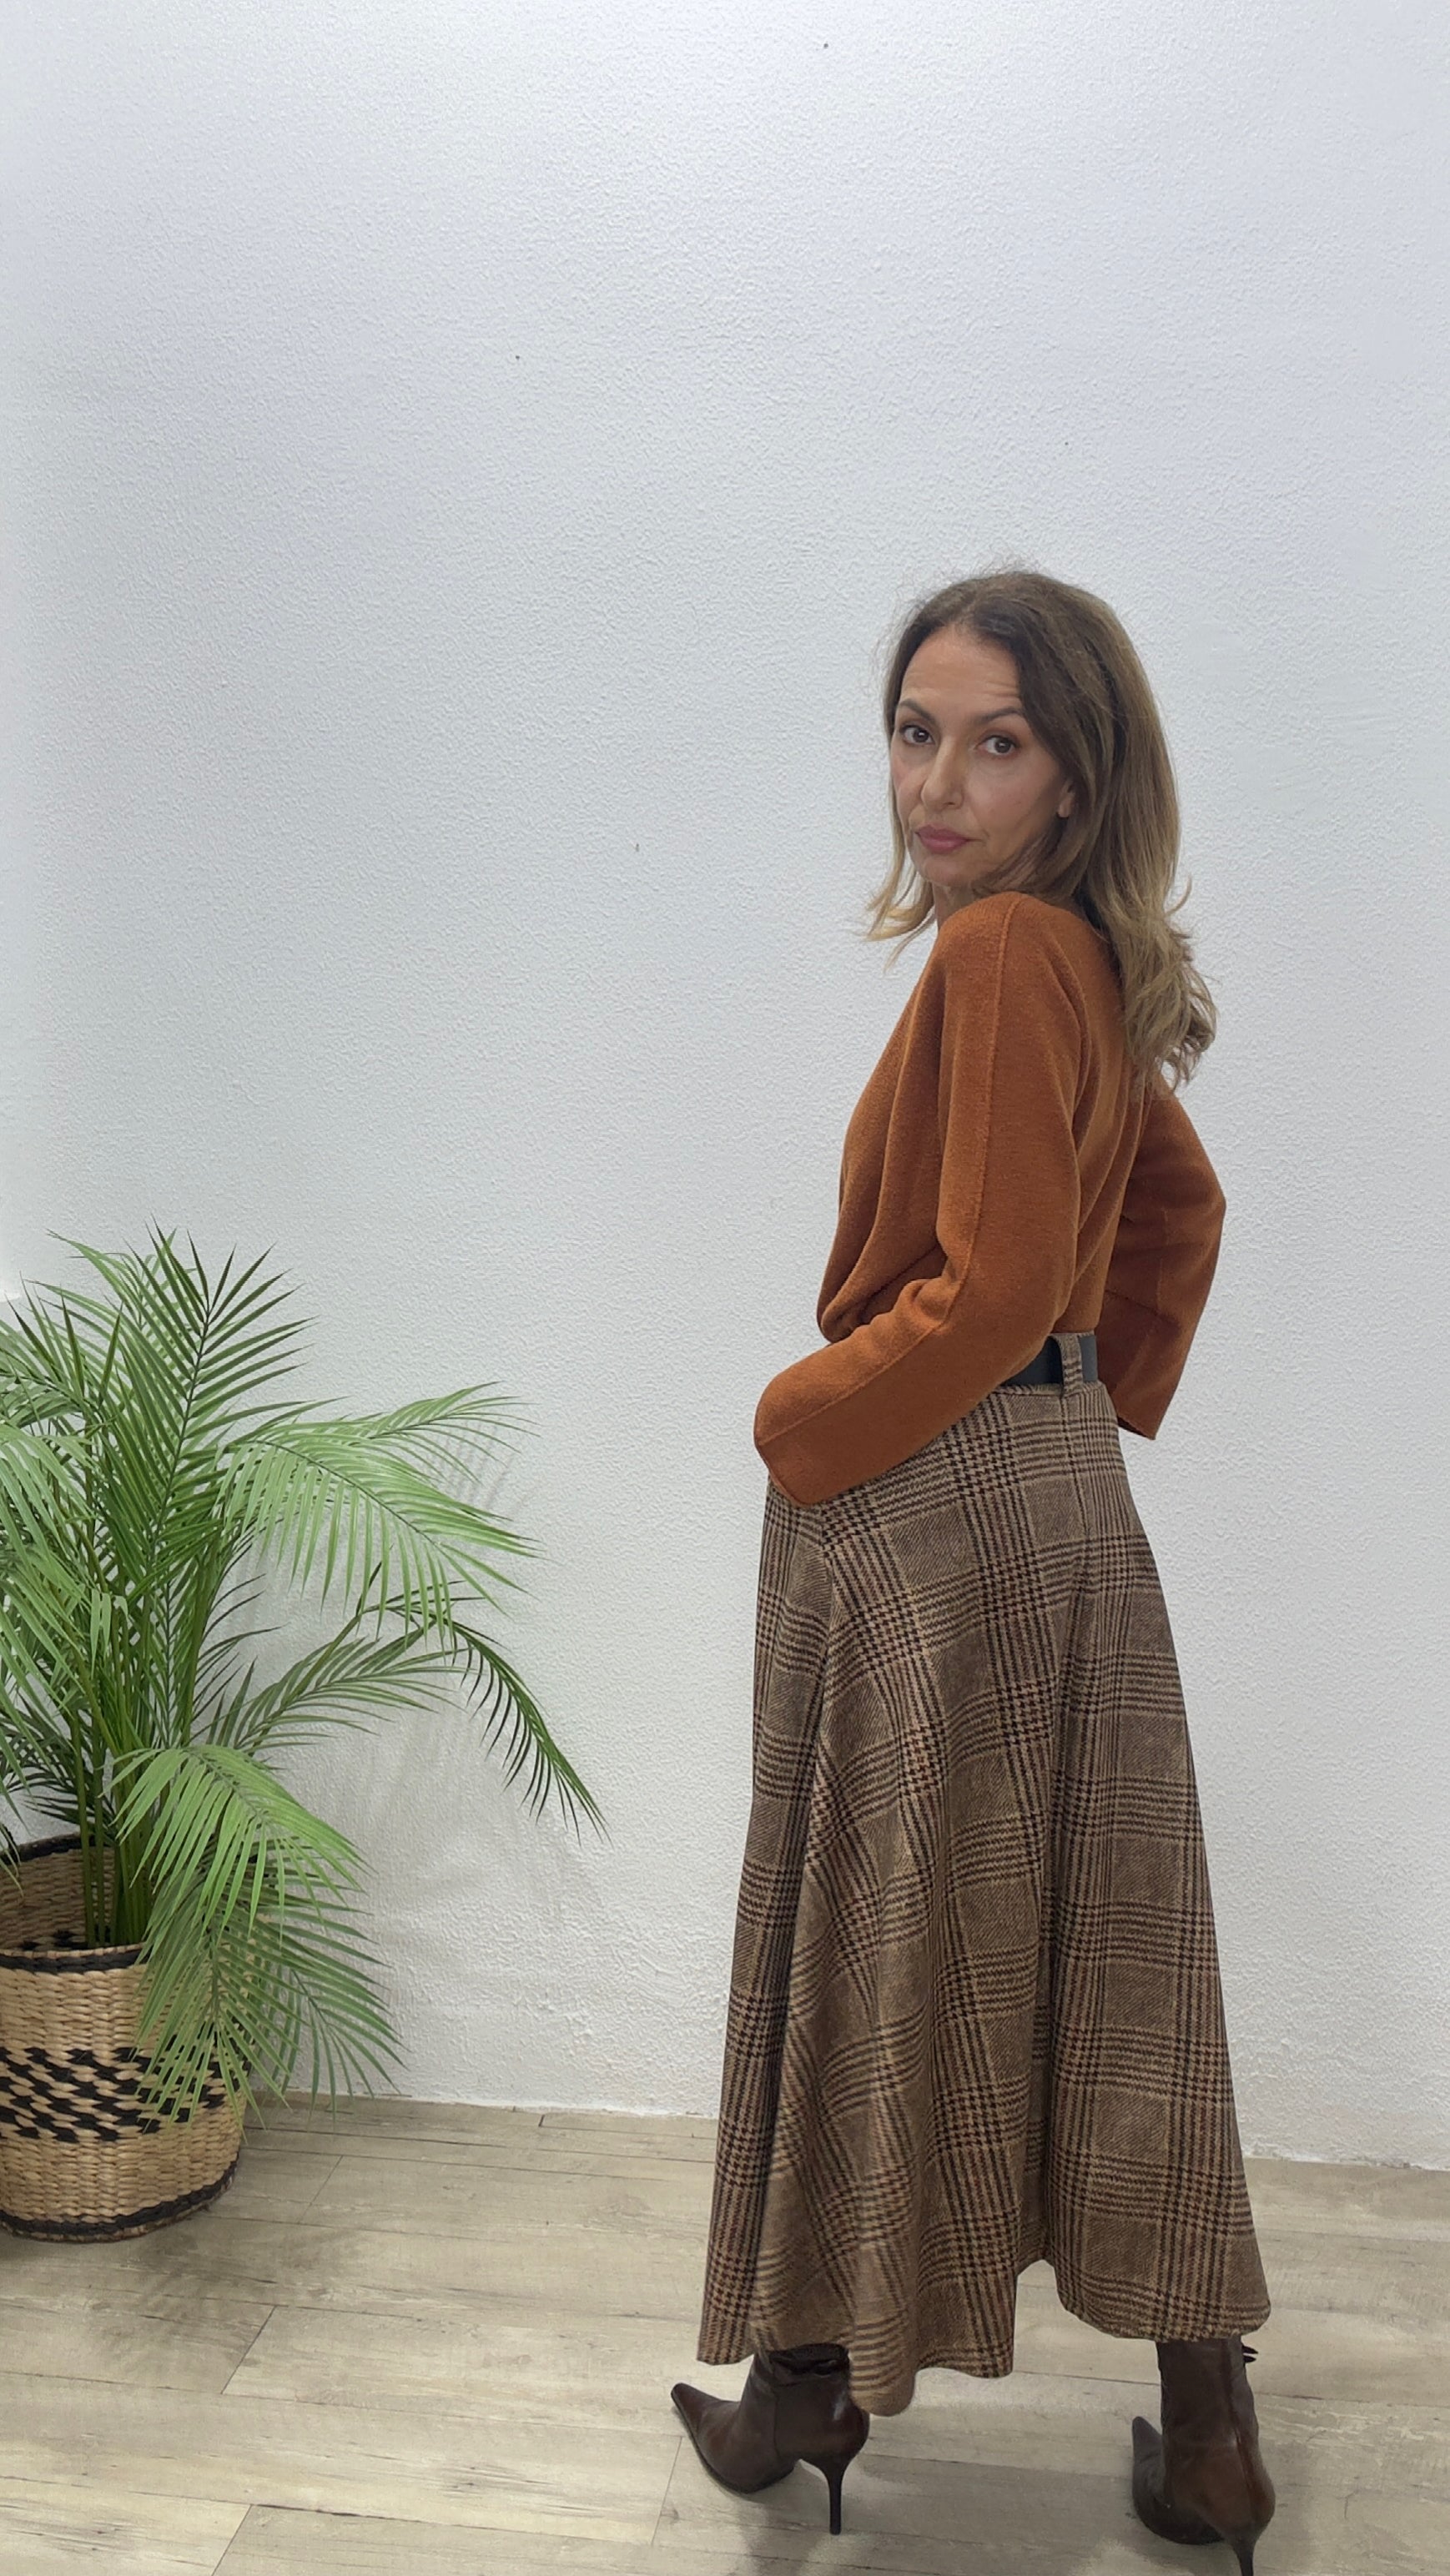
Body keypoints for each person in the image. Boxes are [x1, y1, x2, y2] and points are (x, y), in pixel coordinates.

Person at [669, 569, 1275, 2573]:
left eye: (992, 741)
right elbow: (1172, 1213)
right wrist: (1089, 1403)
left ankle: (805, 2381)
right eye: (912, 733)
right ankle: (1207, 2422)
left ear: (1074, 774)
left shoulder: (1001, 951)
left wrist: (801, 1414)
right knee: (1109, 1943)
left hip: (927, 1487)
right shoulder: (1082, 956)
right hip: (1052, 1495)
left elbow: (995, 1276)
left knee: (876, 1917)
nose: (936, 781)